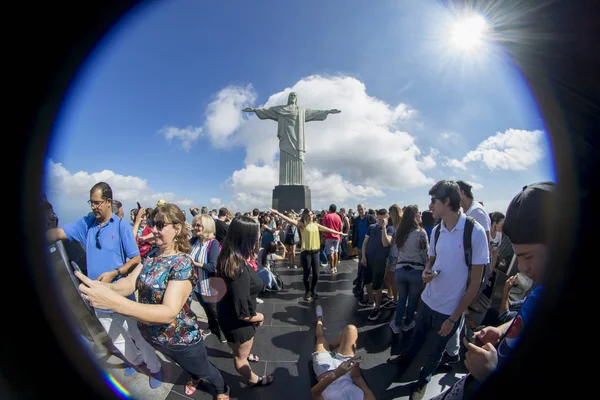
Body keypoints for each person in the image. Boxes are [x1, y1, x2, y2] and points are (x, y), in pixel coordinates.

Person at [76, 203, 230, 399]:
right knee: (187, 367)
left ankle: (221, 388)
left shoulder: (182, 262)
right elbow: (130, 283)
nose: (153, 230)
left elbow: (168, 312)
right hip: (155, 337)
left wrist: (113, 303)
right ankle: (194, 376)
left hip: (181, 339)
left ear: (177, 229)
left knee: (204, 368)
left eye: (159, 225)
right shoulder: (151, 257)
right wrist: (102, 289)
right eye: (152, 224)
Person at [431, 181, 555, 399]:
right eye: (519, 256)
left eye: (528, 257)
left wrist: (491, 373)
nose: (523, 268)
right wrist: (502, 331)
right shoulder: (543, 289)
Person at [46, 182, 163, 387]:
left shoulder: (121, 227)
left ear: (109, 202)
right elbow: (58, 233)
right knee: (116, 336)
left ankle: (155, 368)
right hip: (96, 296)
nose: (93, 207)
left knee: (135, 333)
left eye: (97, 203)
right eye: (91, 203)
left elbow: (135, 259)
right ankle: (135, 361)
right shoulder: (87, 224)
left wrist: (114, 273)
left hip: (119, 293)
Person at [387, 180, 489, 400]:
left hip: (450, 309)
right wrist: (427, 271)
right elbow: (432, 260)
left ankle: (422, 381)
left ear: (447, 201)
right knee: (417, 337)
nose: (430, 206)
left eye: (433, 201)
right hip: (428, 299)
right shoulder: (437, 231)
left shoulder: (475, 232)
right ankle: (406, 358)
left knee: (435, 351)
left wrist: (454, 318)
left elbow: (475, 284)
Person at [216, 216, 274, 388]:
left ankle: (244, 352)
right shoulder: (238, 268)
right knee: (239, 358)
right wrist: (260, 317)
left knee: (239, 351)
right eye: (256, 235)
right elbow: (242, 313)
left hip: (227, 316)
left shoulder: (228, 257)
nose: (258, 238)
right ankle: (253, 379)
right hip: (239, 325)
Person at [243, 92, 341, 185]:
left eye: (295, 95)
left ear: (296, 98)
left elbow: (314, 113)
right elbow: (268, 111)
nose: (293, 97)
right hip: (285, 136)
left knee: (297, 158)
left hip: (297, 138)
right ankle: (284, 181)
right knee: (285, 157)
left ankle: (297, 181)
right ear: (289, 98)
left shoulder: (301, 110)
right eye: (291, 95)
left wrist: (327, 111)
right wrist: (254, 110)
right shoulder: (281, 109)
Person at [269, 208, 346, 301]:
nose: (311, 216)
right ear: (305, 216)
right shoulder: (302, 225)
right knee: (306, 274)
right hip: (306, 253)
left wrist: (339, 233)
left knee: (316, 274)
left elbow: (328, 229)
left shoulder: (316, 225)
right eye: (308, 215)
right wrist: (278, 213)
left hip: (316, 252)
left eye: (311, 215)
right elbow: (289, 220)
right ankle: (307, 291)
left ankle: (313, 290)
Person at [311, 305, 376, 400]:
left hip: (324, 370)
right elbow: (357, 377)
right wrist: (355, 365)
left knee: (321, 338)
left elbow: (315, 393)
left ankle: (319, 319)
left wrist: (336, 374)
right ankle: (330, 348)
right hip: (346, 369)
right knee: (351, 329)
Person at [388, 205, 428, 334]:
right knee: (412, 299)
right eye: (418, 214)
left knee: (401, 299)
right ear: (415, 216)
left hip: (400, 270)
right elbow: (425, 252)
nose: (420, 216)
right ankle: (408, 322)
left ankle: (397, 324)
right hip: (416, 271)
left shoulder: (399, 231)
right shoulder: (420, 233)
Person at [189, 213, 225, 343]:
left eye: (199, 225)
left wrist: (194, 263)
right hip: (198, 285)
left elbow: (212, 267)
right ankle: (212, 327)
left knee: (215, 312)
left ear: (207, 226)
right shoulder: (194, 241)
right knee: (207, 310)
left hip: (210, 286)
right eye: (194, 225)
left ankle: (221, 332)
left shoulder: (213, 244)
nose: (195, 227)